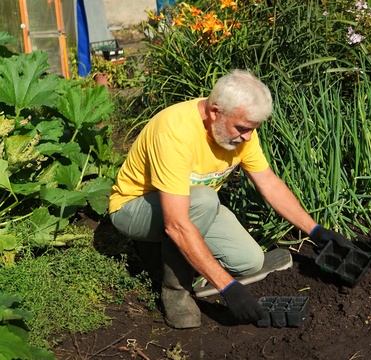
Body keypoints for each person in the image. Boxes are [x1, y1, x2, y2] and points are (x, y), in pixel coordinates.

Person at [108, 69, 349, 329]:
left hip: (193, 207)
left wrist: (315, 230)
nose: (247, 136)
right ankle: (176, 293)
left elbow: (268, 183)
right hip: (136, 208)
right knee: (203, 200)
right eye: (243, 128)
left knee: (249, 261)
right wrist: (227, 287)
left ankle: (179, 256)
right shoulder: (175, 131)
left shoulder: (241, 131)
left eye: (252, 129)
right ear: (214, 112)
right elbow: (176, 223)